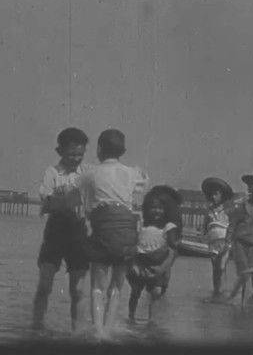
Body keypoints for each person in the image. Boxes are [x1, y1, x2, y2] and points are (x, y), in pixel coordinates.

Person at [72, 129, 148, 340]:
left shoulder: (90, 173)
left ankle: (99, 332)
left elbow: (86, 204)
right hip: (127, 232)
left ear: (99, 149)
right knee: (117, 285)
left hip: (104, 230)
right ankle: (110, 328)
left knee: (98, 286)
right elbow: (141, 186)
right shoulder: (133, 173)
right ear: (122, 151)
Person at [32, 127, 90, 333]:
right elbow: (46, 198)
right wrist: (64, 200)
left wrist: (62, 200)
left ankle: (77, 333)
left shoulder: (88, 175)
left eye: (80, 154)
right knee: (44, 285)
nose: (76, 158)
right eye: (71, 153)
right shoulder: (52, 172)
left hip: (79, 234)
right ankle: (36, 328)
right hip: (55, 232)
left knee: (78, 290)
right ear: (60, 151)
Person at [126, 185, 181, 322]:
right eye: (153, 207)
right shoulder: (142, 224)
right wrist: (133, 264)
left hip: (158, 263)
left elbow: (173, 249)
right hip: (139, 261)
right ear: (146, 208)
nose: (156, 211)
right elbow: (133, 245)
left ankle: (152, 320)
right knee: (135, 291)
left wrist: (164, 267)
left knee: (156, 292)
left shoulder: (168, 227)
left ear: (166, 210)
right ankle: (131, 317)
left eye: (160, 208)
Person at [201, 177, 234, 302]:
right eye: (212, 194)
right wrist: (204, 236)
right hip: (213, 244)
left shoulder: (228, 211)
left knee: (221, 267)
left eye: (217, 194)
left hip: (225, 242)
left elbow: (232, 225)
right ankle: (216, 290)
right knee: (215, 268)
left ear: (222, 196)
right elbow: (205, 227)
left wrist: (230, 239)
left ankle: (221, 290)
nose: (214, 196)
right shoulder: (208, 212)